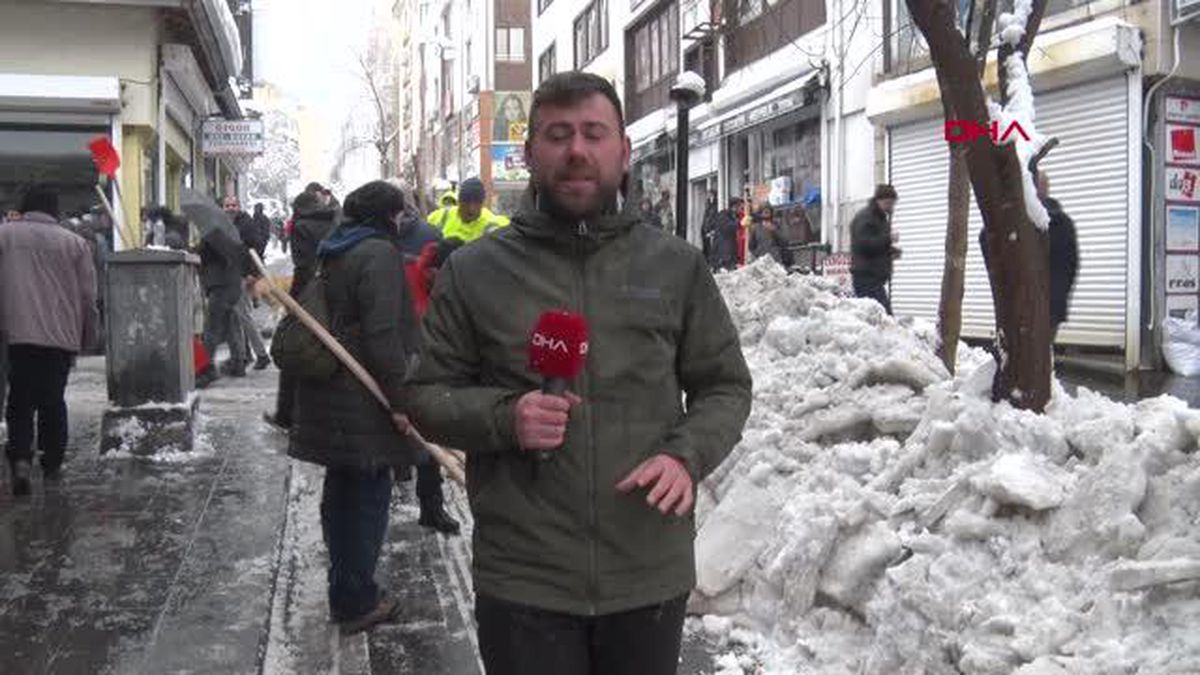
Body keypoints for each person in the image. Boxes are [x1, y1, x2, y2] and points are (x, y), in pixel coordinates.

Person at [407, 71, 753, 675]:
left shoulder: (676, 267)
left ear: (623, 153)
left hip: (646, 573)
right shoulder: (475, 272)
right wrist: (505, 417)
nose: (576, 151)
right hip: (524, 581)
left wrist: (686, 455)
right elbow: (423, 394)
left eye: (594, 133)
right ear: (530, 155)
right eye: (557, 134)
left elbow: (725, 385)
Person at [289, 180, 422, 636]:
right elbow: (383, 336)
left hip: (330, 393)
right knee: (366, 499)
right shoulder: (378, 254)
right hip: (361, 397)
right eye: (401, 212)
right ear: (388, 216)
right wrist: (400, 400)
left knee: (343, 495)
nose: (404, 219)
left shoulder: (335, 248)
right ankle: (357, 600)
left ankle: (345, 590)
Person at [0, 185, 97, 496]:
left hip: (16, 332)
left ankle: (21, 460)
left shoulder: (5, 235)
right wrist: (87, 337)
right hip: (60, 335)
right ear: (55, 210)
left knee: (20, 398)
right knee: (53, 399)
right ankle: (52, 461)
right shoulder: (76, 244)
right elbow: (87, 297)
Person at [397, 238, 462, 535]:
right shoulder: (405, 274)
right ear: (433, 268)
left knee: (429, 443)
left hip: (429, 368)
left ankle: (431, 509)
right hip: (397, 365)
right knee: (401, 440)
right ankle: (396, 483)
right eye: (440, 274)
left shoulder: (454, 284)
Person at [264, 190, 340, 431]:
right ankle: (324, 417)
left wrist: (294, 300)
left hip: (308, 297)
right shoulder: (335, 221)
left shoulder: (301, 226)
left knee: (293, 352)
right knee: (327, 354)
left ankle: (286, 415)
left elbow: (303, 266)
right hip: (335, 295)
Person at [980, 170, 1078, 340]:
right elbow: (1072, 266)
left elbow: (985, 238)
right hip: (1050, 307)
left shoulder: (1021, 221)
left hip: (1022, 304)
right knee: (1042, 355)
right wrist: (1059, 296)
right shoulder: (1064, 223)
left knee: (1022, 356)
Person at [196, 199, 250, 388]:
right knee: (231, 322)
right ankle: (238, 363)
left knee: (211, 327)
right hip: (231, 283)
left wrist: (197, 248)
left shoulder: (217, 231)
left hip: (222, 284)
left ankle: (205, 371)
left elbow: (208, 255)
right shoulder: (227, 230)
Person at [221, 196, 270, 373]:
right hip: (228, 275)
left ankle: (262, 355)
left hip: (242, 275)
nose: (230, 208)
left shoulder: (246, 224)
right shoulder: (222, 224)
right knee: (237, 317)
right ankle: (246, 353)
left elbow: (257, 248)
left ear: (239, 207)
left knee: (243, 315)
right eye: (227, 206)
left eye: (234, 205)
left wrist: (251, 273)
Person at [850, 184, 900, 315]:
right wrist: (888, 239)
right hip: (866, 278)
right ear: (880, 200)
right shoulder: (866, 218)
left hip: (874, 278)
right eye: (889, 203)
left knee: (878, 318)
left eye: (893, 204)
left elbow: (875, 245)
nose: (891, 207)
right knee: (885, 318)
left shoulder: (879, 218)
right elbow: (864, 244)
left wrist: (890, 251)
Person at [429, 177, 507, 243]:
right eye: (466, 201)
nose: (471, 208)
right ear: (459, 201)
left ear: (482, 203)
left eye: (477, 202)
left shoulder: (492, 223)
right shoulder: (441, 216)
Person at [705, 197, 743, 271]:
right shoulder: (723, 215)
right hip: (722, 254)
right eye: (740, 207)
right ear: (734, 207)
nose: (741, 210)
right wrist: (740, 224)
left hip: (731, 254)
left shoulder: (734, 216)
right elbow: (726, 227)